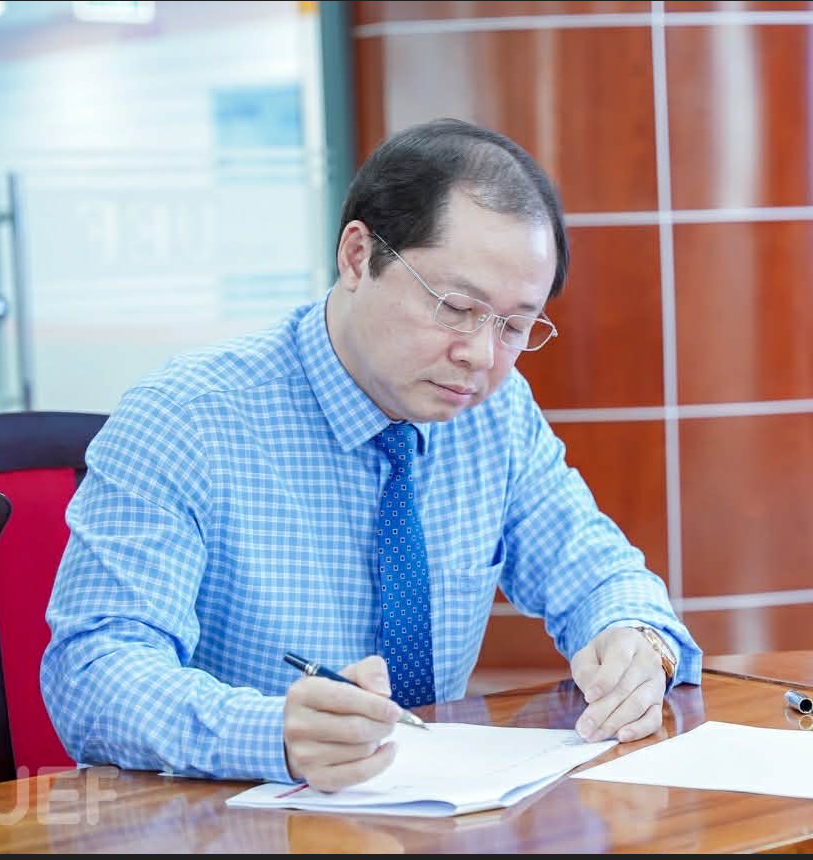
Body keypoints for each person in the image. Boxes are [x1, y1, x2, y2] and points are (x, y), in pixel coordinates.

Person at [42, 118, 701, 792]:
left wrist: (635, 639)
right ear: (358, 257)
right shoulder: (185, 420)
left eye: (514, 326)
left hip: (434, 813)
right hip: (221, 819)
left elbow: (594, 569)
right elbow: (92, 673)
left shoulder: (494, 414)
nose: (480, 355)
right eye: (456, 307)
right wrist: (271, 733)